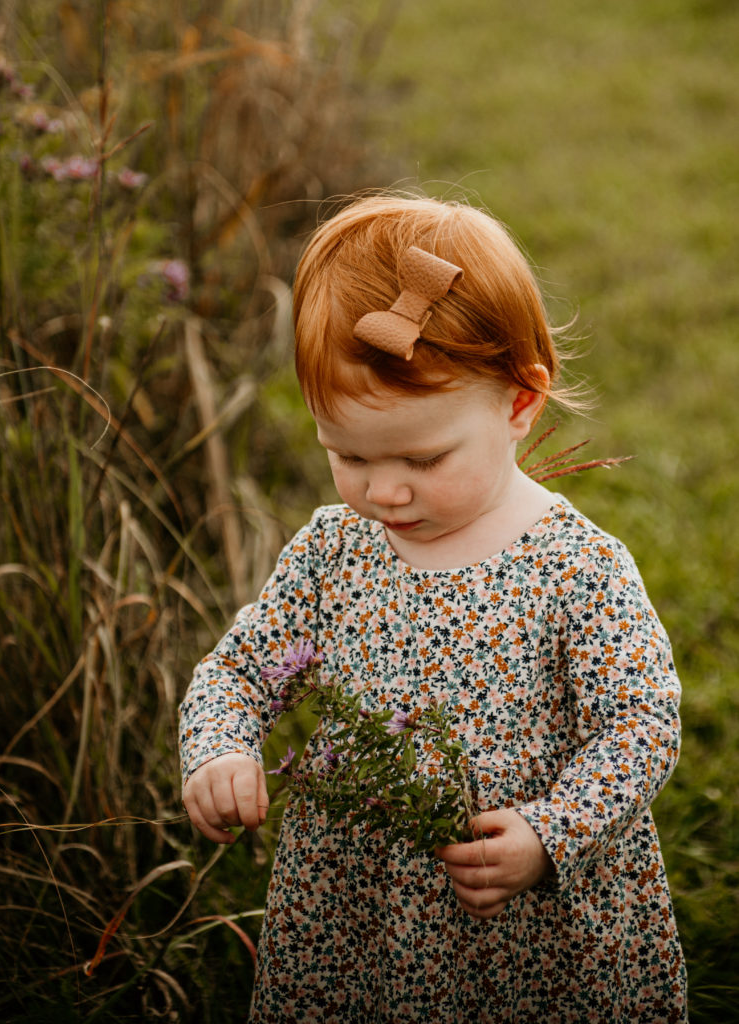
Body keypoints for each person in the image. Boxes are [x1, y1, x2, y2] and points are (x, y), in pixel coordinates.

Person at [179, 193, 688, 1022]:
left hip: (526, 914)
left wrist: (549, 834)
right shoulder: (332, 550)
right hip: (358, 910)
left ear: (519, 404)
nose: (381, 490)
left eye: (421, 455)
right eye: (345, 454)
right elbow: (240, 670)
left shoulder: (577, 567)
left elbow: (639, 722)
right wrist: (218, 747)